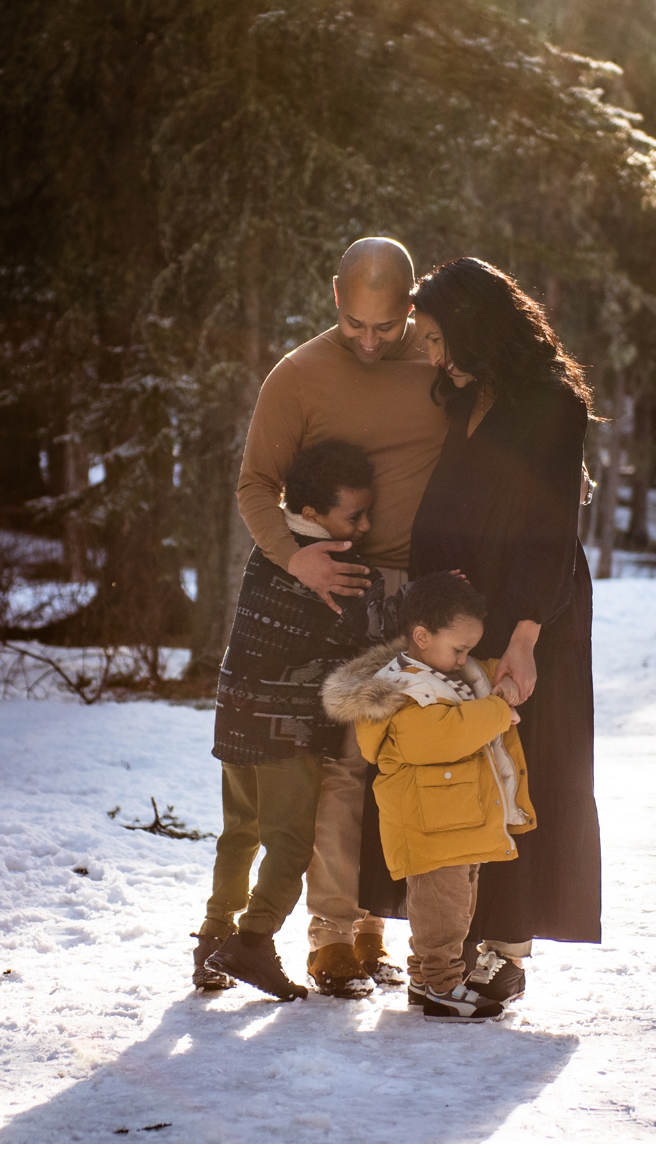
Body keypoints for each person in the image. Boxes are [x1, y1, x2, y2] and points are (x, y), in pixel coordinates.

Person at [234, 236, 449, 997]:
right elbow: (256, 484)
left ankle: (372, 927)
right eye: (354, 323)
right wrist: (297, 557)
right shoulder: (297, 375)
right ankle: (330, 935)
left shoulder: (438, 360)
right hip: (338, 589)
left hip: (421, 596)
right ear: (335, 295)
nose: (367, 340)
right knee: (343, 766)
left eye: (383, 327)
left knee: (403, 764)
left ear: (410, 304)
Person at [407, 257, 602, 1005]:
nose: (432, 356)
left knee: (525, 769)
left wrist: (524, 634)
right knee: (471, 769)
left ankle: (509, 948)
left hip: (534, 604)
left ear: (474, 327)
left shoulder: (551, 402)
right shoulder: (469, 396)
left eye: (436, 338)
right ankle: (463, 936)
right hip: (462, 611)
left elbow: (550, 527)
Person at [196, 440, 394, 1000]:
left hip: (235, 714)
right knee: (291, 842)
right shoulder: (342, 570)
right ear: (313, 515)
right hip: (284, 728)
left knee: (241, 832)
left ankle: (212, 939)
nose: (366, 524)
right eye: (354, 515)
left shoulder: (272, 551)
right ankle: (252, 943)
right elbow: (373, 635)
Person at [321, 573, 537, 1022]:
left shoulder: (439, 674)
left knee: (454, 910)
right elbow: (439, 738)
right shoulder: (402, 688)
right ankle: (440, 985)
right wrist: (497, 710)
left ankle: (425, 980)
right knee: (441, 914)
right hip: (429, 826)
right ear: (421, 636)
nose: (463, 661)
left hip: (452, 823)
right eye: (458, 649)